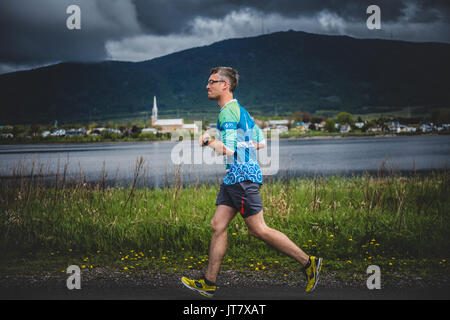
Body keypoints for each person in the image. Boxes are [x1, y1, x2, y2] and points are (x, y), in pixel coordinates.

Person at [181, 67, 322, 298]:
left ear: (225, 85)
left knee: (258, 229)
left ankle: (308, 263)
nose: (207, 86)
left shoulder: (228, 113)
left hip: (242, 178)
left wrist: (207, 140)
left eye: (212, 81)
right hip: (233, 178)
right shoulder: (241, 111)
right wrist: (238, 147)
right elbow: (262, 142)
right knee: (218, 225)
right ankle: (209, 282)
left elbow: (226, 149)